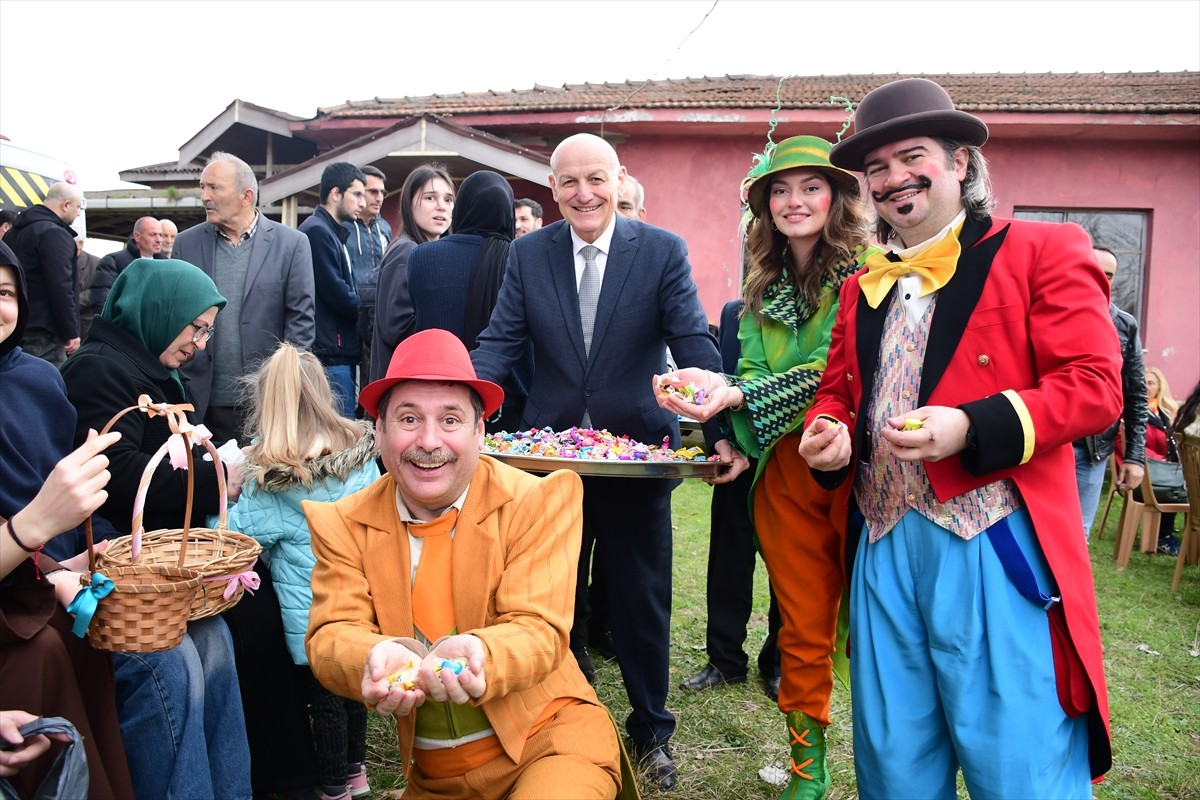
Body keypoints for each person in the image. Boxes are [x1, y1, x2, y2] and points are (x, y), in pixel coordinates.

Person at [798, 77, 1118, 797]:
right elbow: (840, 390)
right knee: (895, 760)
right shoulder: (860, 285)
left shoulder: (1043, 248)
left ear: (960, 162)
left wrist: (973, 424)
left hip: (992, 537)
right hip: (882, 542)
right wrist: (829, 431)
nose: (893, 179)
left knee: (1018, 761)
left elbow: (1094, 384)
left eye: (912, 157)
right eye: (877, 168)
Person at [471, 132, 747, 791]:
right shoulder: (528, 254)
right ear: (553, 187)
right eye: (569, 181)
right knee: (551, 596)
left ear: (619, 180)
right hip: (552, 464)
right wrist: (461, 406)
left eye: (596, 178)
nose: (584, 193)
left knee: (641, 600)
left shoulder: (661, 251)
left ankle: (651, 730)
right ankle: (559, 718)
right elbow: (500, 342)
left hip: (636, 457)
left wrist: (719, 430)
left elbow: (692, 344)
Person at [304, 328, 622, 798]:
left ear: (479, 431)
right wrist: (371, 656)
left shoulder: (536, 500)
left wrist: (480, 652)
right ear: (379, 431)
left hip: (550, 743)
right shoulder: (343, 523)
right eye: (408, 418)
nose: (429, 441)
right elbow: (331, 633)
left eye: (450, 420)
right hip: (438, 780)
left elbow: (538, 628)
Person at [657, 135, 874, 799]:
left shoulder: (870, 275)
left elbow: (835, 371)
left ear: (837, 198)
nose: (793, 201)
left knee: (872, 627)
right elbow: (752, 369)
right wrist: (731, 422)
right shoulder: (761, 288)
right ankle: (809, 771)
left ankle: (894, 761)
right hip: (785, 476)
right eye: (779, 190)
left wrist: (738, 394)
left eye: (810, 187)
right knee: (802, 620)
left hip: (863, 473)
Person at [58, 258, 253, 800]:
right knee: (172, 661)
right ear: (161, 312)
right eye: (196, 328)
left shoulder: (153, 373)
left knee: (215, 640)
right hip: (109, 572)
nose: (200, 344)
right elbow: (115, 477)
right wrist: (215, 480)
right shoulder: (99, 372)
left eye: (207, 332)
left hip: (156, 571)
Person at [0, 240, 134, 799]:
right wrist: (38, 541)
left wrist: (88, 550)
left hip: (46, 569)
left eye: (4, 292)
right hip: (20, 588)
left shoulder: (38, 379)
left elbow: (72, 497)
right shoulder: (101, 372)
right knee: (55, 647)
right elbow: (40, 508)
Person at [226, 343, 379, 800]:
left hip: (309, 618)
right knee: (352, 688)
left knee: (324, 703)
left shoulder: (273, 482)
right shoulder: (360, 459)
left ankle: (332, 788)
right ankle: (355, 771)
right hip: (358, 600)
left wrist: (219, 504)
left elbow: (238, 538)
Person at [173, 150, 316, 444]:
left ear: (246, 196)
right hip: (199, 398)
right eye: (202, 187)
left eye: (214, 187)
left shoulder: (292, 244)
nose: (205, 197)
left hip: (267, 401)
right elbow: (175, 318)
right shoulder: (186, 244)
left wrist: (286, 387)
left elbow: (301, 323)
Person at [677, 299, 781, 701]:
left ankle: (778, 663)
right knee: (727, 561)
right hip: (738, 455)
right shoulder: (735, 311)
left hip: (787, 457)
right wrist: (719, 443)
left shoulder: (814, 312)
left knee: (785, 565)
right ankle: (724, 660)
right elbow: (718, 385)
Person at [407, 170, 529, 430]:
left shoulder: (422, 257)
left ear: (462, 207)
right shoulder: (521, 259)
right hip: (507, 400)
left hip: (439, 395)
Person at [1073, 244, 1147, 539]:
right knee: (1032, 529)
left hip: (1092, 450)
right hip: (1044, 444)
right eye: (1094, 270)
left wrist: (1135, 457)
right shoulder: (1048, 313)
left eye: (1108, 275)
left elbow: (1136, 395)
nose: (1101, 279)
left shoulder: (1124, 325)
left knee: (1078, 535)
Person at [369, 163, 455, 383]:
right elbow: (396, 328)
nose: (441, 207)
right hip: (403, 383)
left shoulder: (429, 253)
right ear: (409, 203)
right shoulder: (406, 251)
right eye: (430, 198)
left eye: (448, 200)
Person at [299, 161, 367, 418]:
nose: (363, 203)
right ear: (335, 193)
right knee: (338, 432)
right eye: (357, 194)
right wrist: (368, 306)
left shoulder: (329, 231)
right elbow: (338, 295)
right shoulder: (317, 231)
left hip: (336, 351)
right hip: (329, 353)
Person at [2, 181, 84, 365]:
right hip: (44, 334)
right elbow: (61, 286)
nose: (78, 213)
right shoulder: (56, 234)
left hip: (13, 327)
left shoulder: (13, 233)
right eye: (78, 207)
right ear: (66, 205)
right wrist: (71, 331)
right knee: (43, 381)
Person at [345, 165, 393, 394]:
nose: (379, 197)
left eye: (383, 192)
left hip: (378, 323)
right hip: (349, 319)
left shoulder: (385, 228)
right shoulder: (342, 227)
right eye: (373, 191)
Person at [87, 216, 166, 325]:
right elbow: (102, 301)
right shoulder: (113, 261)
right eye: (153, 235)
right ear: (137, 236)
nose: (159, 240)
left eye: (160, 235)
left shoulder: (167, 265)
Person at [75, 236, 102, 341]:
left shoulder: (96, 263)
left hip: (84, 325)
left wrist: (68, 303)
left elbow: (97, 290)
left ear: (80, 244)